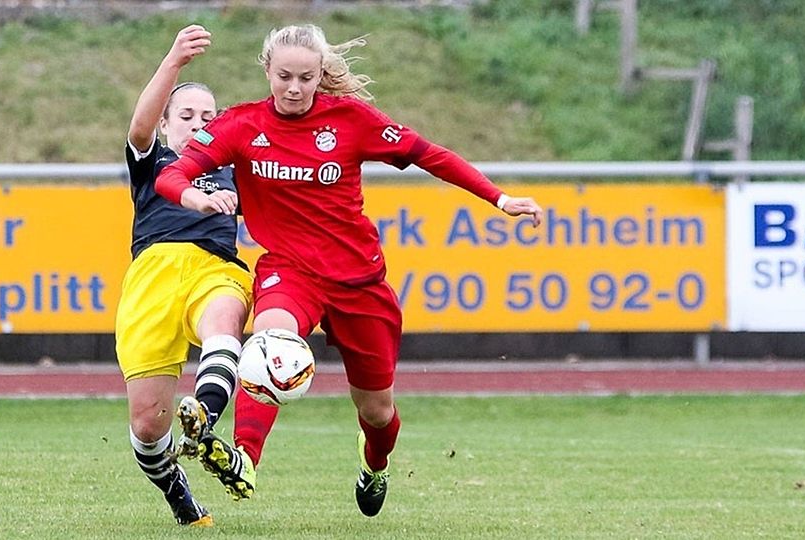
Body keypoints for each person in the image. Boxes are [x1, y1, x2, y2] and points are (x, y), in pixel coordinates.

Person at [155, 23, 543, 517]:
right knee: (270, 341)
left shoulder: (350, 120)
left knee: (377, 413)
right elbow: (173, 173)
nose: (294, 89)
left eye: (306, 78)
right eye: (284, 77)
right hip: (290, 270)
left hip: (359, 281)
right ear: (267, 71)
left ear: (320, 76)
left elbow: (430, 155)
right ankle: (244, 459)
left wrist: (500, 198)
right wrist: (194, 195)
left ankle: (374, 465)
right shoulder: (241, 125)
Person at [116, 24, 251, 527]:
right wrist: (173, 61)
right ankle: (178, 492)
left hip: (215, 266)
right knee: (149, 424)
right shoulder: (154, 160)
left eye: (208, 117)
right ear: (169, 123)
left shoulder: (234, 167)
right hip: (152, 275)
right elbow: (137, 128)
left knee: (223, 323)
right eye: (187, 115)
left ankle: (205, 416)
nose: (198, 123)